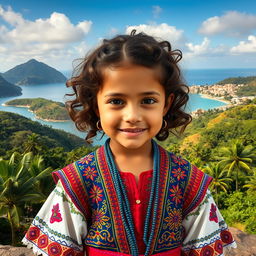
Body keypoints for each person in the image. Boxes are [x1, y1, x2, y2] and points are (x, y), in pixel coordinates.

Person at [22, 30, 236, 256]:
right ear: (96, 106)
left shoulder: (188, 180)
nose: (132, 115)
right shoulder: (78, 182)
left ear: (166, 104)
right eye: (116, 101)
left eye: (148, 100)